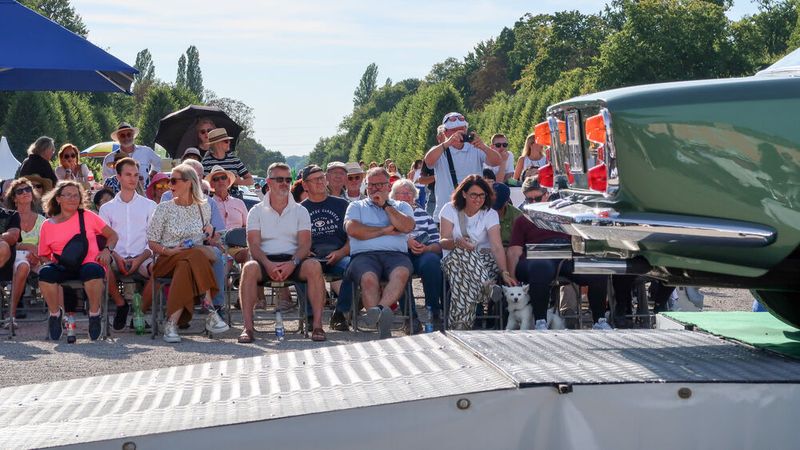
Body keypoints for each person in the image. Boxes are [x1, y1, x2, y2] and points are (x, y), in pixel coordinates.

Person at [237, 163, 327, 343]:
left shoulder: (301, 210)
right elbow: (253, 245)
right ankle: (247, 328)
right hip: (264, 260)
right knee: (249, 268)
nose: (285, 183)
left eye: (288, 180)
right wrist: (268, 264)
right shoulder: (255, 211)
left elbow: (305, 244)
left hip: (294, 260)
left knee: (314, 266)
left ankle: (317, 325)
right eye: (280, 180)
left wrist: (292, 263)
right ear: (269, 182)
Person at [146, 163, 223, 343]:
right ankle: (210, 309)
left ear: (189, 183)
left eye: (173, 181)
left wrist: (209, 229)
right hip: (167, 258)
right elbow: (152, 242)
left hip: (188, 261)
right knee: (193, 256)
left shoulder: (203, 207)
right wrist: (170, 250)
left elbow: (206, 234)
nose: (169, 185)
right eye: (168, 181)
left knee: (186, 263)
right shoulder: (164, 208)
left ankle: (171, 324)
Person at [38, 181, 118, 342]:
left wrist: (106, 250)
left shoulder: (88, 216)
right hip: (62, 265)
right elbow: (43, 255)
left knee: (93, 271)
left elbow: (113, 235)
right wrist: (46, 263)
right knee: (45, 273)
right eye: (68, 195)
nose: (73, 198)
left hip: (88, 263)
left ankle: (94, 314)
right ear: (58, 199)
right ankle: (55, 314)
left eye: (76, 195)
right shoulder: (47, 225)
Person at [507, 210, 611, 331]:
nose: (534, 202)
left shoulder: (566, 217)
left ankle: (599, 320)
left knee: (597, 269)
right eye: (530, 200)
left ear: (547, 196)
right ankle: (540, 321)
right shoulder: (523, 220)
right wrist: (512, 277)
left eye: (538, 198)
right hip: (538, 256)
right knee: (540, 267)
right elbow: (514, 252)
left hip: (566, 254)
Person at [344, 167, 416, 339]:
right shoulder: (356, 206)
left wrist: (385, 205)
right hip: (364, 255)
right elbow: (353, 230)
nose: (375, 189)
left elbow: (406, 226)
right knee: (368, 279)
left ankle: (378, 312)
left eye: (380, 185)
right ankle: (381, 323)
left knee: (402, 273)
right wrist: (385, 230)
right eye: (371, 185)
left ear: (388, 186)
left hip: (395, 255)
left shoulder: (401, 206)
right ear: (366, 186)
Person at [439, 175, 516, 330]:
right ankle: (486, 287)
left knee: (462, 280)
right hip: (454, 258)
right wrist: (457, 242)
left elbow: (496, 246)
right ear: (464, 194)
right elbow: (443, 242)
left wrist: (504, 271)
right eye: (474, 194)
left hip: (483, 261)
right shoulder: (449, 209)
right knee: (462, 252)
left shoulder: (489, 213)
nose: (478, 199)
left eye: (482, 195)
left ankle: (460, 327)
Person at [98, 157, 157, 331]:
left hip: (143, 257)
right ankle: (120, 303)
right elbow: (105, 239)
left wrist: (139, 260)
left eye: (136, 175)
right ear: (118, 177)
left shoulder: (150, 205)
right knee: (101, 263)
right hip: (117, 256)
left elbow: (153, 238)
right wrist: (116, 256)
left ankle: (139, 312)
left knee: (161, 268)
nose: (133, 179)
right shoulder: (106, 208)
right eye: (128, 174)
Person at [300, 164, 353, 331]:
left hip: (339, 255)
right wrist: (302, 251)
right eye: (315, 180)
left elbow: (353, 236)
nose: (321, 182)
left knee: (355, 266)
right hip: (310, 256)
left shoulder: (342, 205)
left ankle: (340, 313)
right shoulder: (299, 209)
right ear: (305, 185)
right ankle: (310, 316)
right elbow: (292, 238)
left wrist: (342, 252)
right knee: (297, 267)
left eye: (322, 178)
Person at [424, 112, 502, 221]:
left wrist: (483, 146)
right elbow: (428, 161)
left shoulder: (475, 148)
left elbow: (497, 161)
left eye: (462, 129)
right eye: (454, 130)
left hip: (474, 212)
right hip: (447, 213)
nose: (459, 133)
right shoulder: (440, 150)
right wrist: (447, 143)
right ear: (445, 132)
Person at [390, 179, 442, 331]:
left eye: (409, 193)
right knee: (400, 269)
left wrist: (426, 248)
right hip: (399, 252)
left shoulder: (424, 214)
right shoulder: (390, 213)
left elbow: (437, 242)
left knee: (432, 262)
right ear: (393, 196)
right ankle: (410, 317)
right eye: (402, 193)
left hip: (423, 252)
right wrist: (407, 241)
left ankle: (434, 311)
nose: (406, 196)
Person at [4, 178, 44, 323]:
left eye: (28, 189)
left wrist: (37, 253)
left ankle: (60, 314)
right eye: (20, 191)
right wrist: (27, 247)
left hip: (36, 258)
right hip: (12, 256)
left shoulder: (41, 220)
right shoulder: (9, 218)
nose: (25, 193)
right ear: (14, 198)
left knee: (52, 270)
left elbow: (45, 244)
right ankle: (11, 314)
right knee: (23, 265)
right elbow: (8, 241)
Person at [207, 166, 248, 231]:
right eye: (216, 179)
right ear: (211, 184)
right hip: (216, 240)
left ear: (228, 181)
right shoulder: (207, 204)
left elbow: (247, 227)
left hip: (237, 240)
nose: (220, 181)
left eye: (223, 178)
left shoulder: (239, 203)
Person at [491, 182, 523, 247]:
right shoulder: (481, 212)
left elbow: (520, 242)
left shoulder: (517, 216)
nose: (495, 211)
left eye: (498, 208)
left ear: (506, 202)